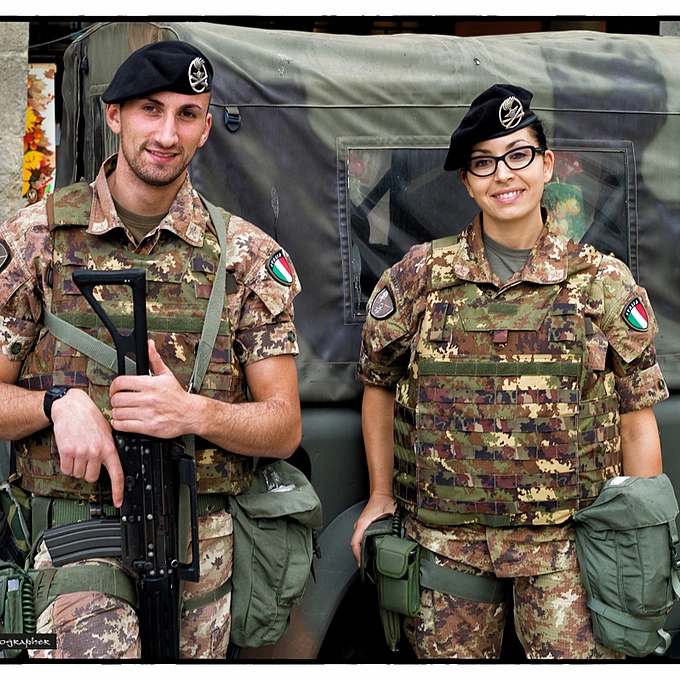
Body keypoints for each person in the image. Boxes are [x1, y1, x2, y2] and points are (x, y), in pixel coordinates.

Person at [0, 40, 302, 659]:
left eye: (187, 114)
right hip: (75, 533)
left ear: (206, 128)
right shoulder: (37, 240)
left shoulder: (245, 257)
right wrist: (57, 404)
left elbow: (283, 427)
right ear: (114, 116)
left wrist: (193, 413)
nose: (167, 134)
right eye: (150, 110)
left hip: (199, 543)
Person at [350, 83, 668, 659]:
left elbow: (635, 420)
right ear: (467, 181)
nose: (504, 175)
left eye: (519, 154)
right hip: (446, 548)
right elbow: (379, 384)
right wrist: (379, 497)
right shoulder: (419, 278)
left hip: (568, 551)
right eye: (484, 162)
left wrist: (637, 537)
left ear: (547, 165)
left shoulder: (601, 283)